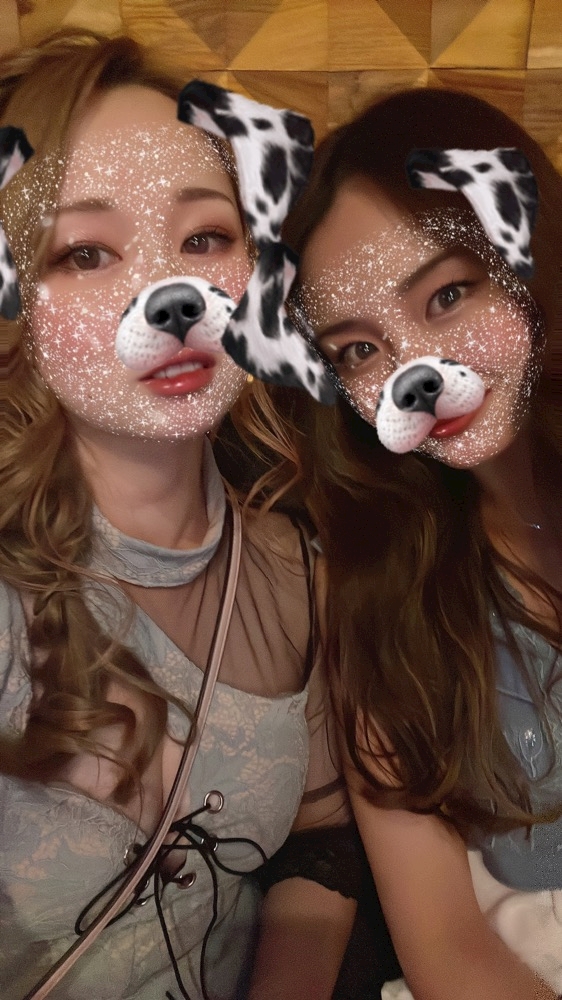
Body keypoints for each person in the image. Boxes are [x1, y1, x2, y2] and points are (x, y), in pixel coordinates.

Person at [0, 30, 356, 1000]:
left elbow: (319, 837)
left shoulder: (297, 569)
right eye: (86, 252)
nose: (171, 294)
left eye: (204, 238)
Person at [280, 87, 562, 1000]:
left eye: (447, 294)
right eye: (360, 350)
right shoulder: (378, 582)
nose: (416, 374)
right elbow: (442, 943)